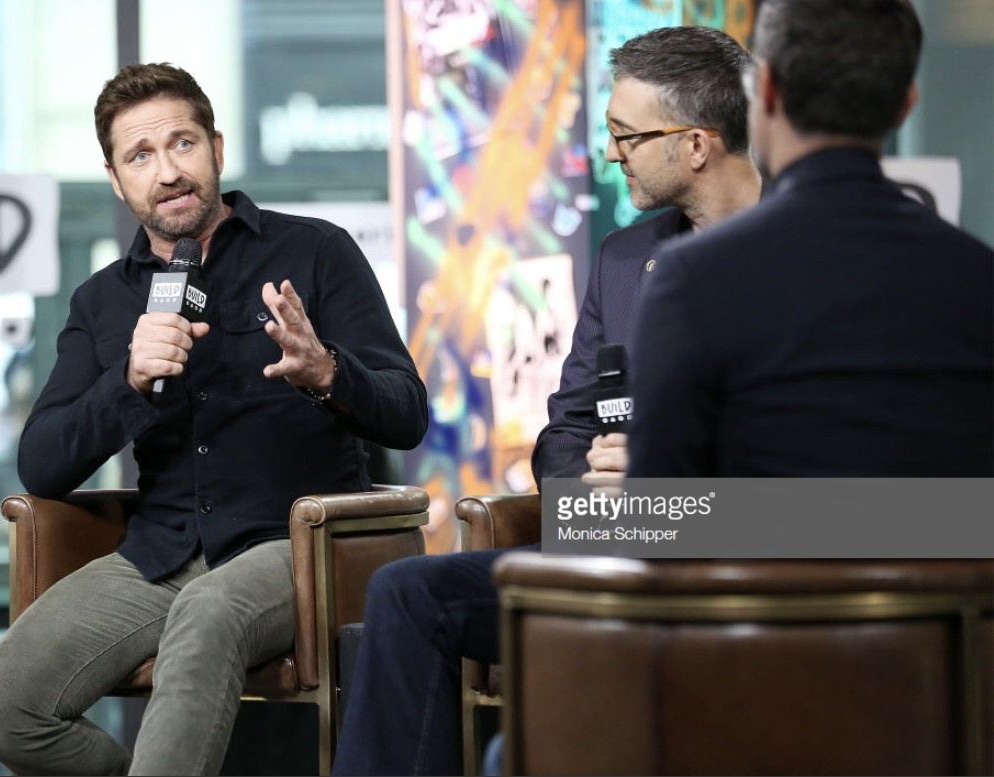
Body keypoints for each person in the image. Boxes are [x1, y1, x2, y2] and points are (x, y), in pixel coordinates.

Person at [0, 63, 428, 776]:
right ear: (116, 179)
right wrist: (127, 378)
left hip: (294, 545)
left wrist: (327, 371)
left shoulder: (314, 250)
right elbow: (43, 465)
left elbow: (407, 413)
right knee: (5, 704)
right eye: (140, 155)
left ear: (215, 147)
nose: (167, 172)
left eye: (182, 144)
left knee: (208, 610)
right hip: (159, 554)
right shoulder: (101, 301)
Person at [332, 26, 761, 776]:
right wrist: (594, 499)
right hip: (617, 537)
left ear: (696, 144)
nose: (611, 153)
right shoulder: (624, 260)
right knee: (405, 590)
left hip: (741, 542)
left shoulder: (806, 253)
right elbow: (566, 428)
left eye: (627, 135)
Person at [627, 0, 993, 478]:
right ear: (905, 105)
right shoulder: (979, 277)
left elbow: (660, 508)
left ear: (766, 90)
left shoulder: (692, 278)